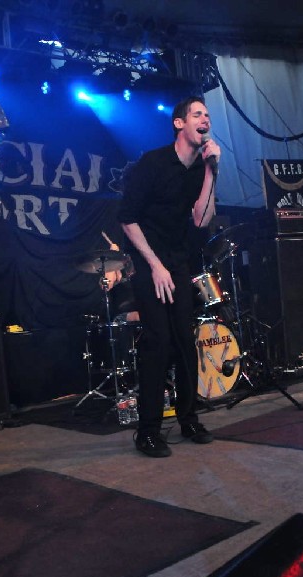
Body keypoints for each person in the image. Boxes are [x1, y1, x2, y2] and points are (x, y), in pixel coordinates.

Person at [117, 96, 221, 457]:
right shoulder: (154, 163)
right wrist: (155, 265)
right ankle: (147, 431)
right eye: (197, 114)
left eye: (207, 115)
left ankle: (188, 418)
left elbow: (201, 219)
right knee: (158, 342)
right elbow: (127, 218)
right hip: (149, 261)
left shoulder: (198, 169)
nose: (204, 119)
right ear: (179, 123)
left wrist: (211, 170)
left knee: (184, 341)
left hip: (177, 261)